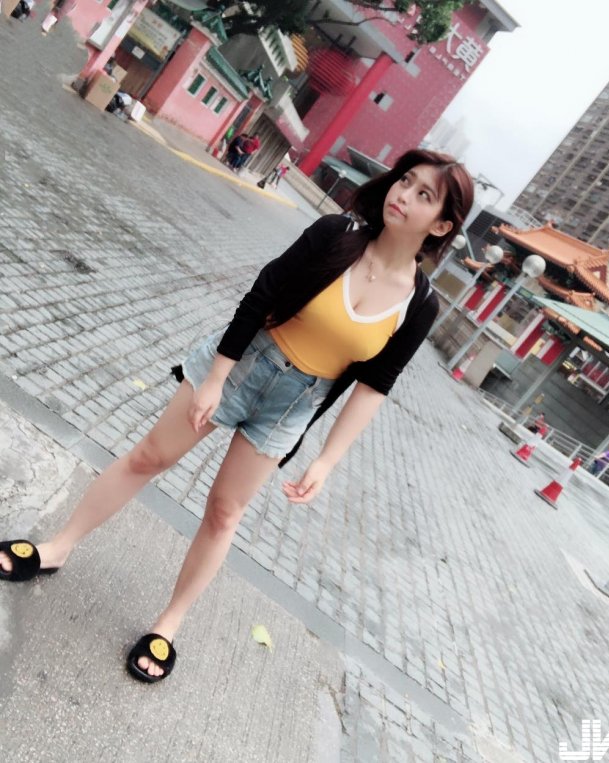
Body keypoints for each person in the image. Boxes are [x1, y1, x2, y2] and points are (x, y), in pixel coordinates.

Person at [0, 149, 474, 683]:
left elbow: (373, 387)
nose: (403, 195)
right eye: (405, 181)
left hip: (294, 404)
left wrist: (326, 461)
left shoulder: (419, 305)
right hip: (244, 360)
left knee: (225, 513)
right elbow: (262, 294)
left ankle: (169, 624)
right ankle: (57, 548)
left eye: (423, 195)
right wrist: (217, 378)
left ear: (441, 225)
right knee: (149, 457)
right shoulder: (335, 235)